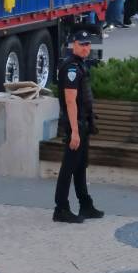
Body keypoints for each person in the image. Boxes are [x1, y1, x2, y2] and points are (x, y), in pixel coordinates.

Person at [53, 29, 103, 224]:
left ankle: (85, 204)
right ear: (72, 44)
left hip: (83, 124)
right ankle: (61, 208)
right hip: (76, 125)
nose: (86, 48)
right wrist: (74, 131)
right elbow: (70, 101)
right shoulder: (71, 68)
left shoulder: (79, 65)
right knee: (69, 167)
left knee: (80, 166)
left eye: (88, 44)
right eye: (82, 44)